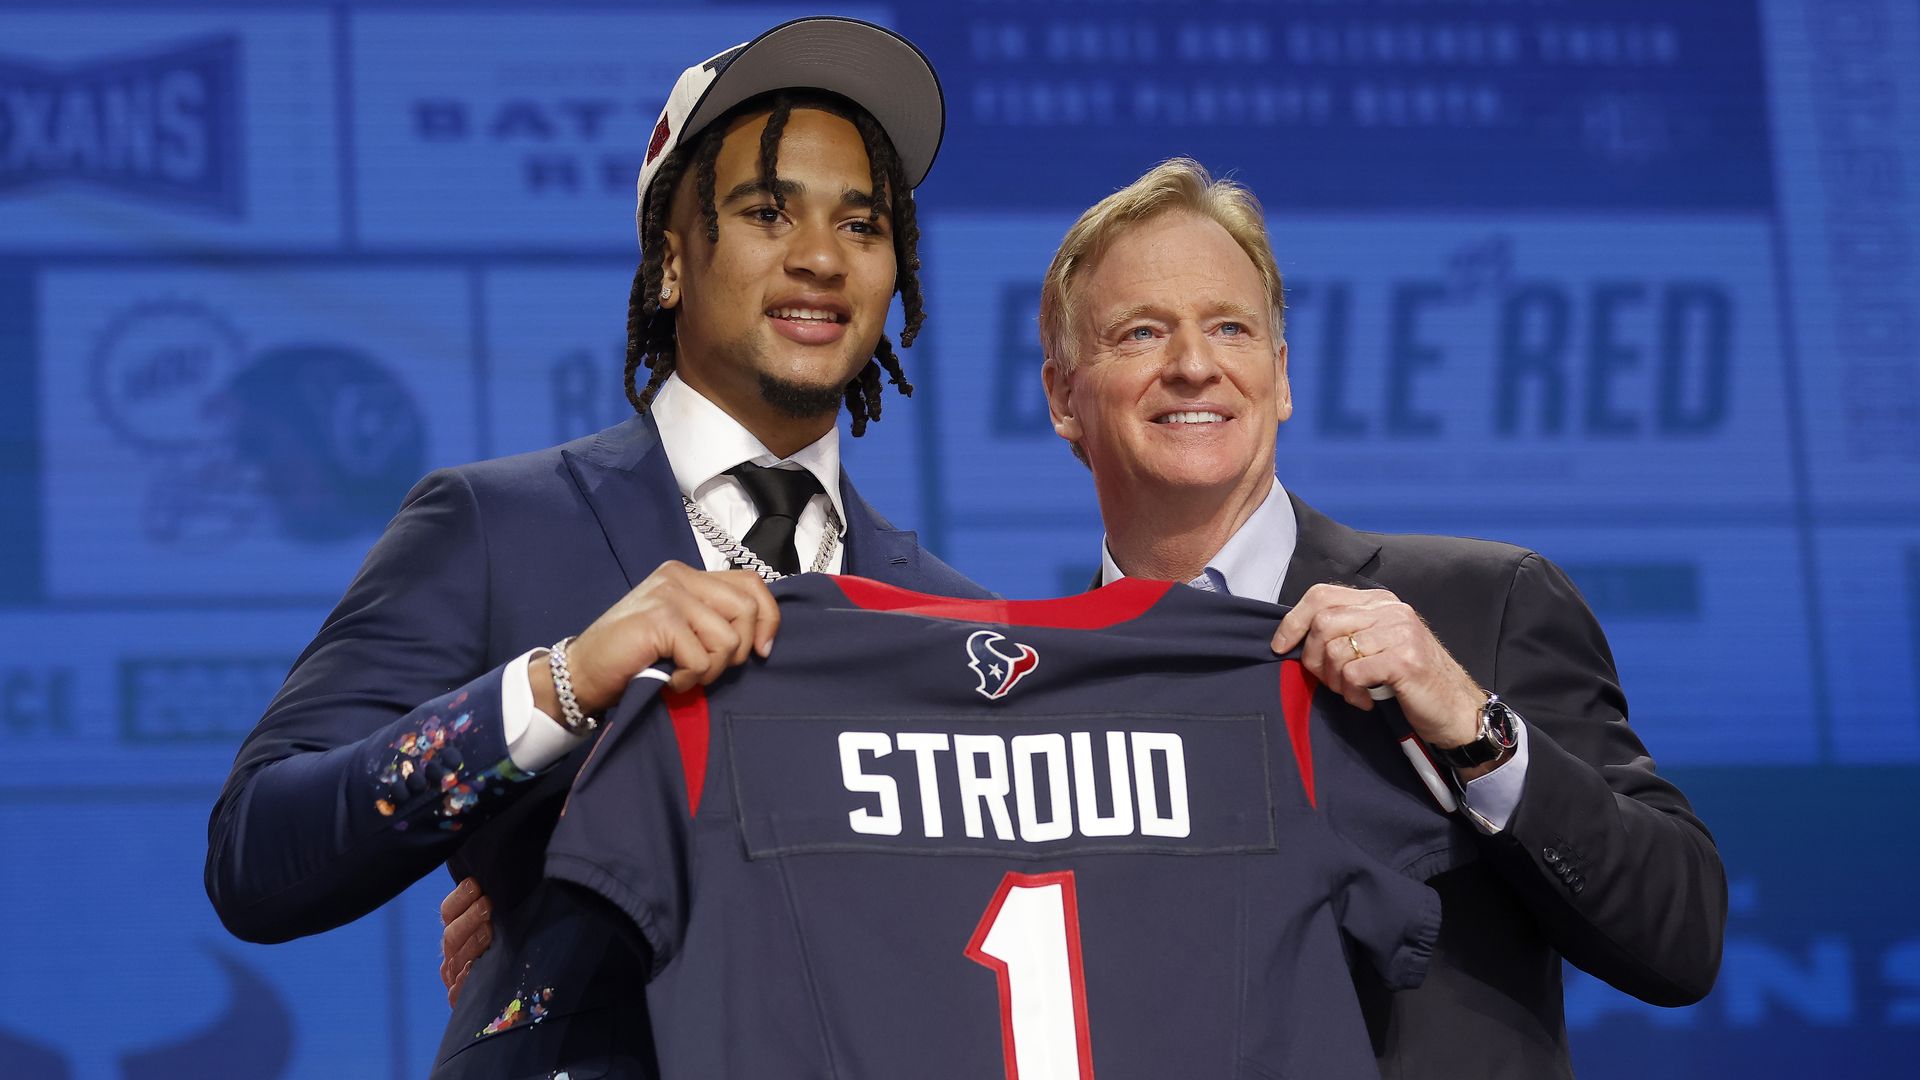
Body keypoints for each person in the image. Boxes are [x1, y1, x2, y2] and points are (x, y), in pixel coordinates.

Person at [205, 16, 983, 1077]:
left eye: (862, 224)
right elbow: (258, 851)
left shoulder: (956, 621)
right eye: (766, 210)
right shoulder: (494, 525)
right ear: (670, 262)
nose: (819, 257)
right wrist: (562, 689)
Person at [1034, 157, 1726, 1078]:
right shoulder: (1030, 690)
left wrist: (1473, 727)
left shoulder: (1485, 604)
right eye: (1142, 332)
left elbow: (1681, 936)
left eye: (1230, 328)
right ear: (1061, 398)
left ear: (1279, 378)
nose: (1193, 365)